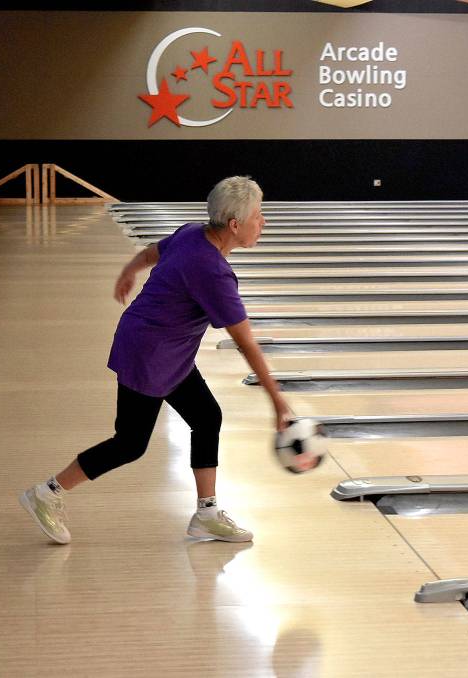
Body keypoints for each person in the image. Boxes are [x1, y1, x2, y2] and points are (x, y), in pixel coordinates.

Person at [20, 176, 291, 545]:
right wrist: (278, 400)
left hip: (163, 349)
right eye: (259, 216)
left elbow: (152, 252)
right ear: (235, 225)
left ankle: (206, 514)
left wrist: (128, 271)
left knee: (207, 416)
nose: (264, 223)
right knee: (130, 443)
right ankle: (46, 493)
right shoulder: (214, 272)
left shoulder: (192, 233)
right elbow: (246, 344)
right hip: (149, 354)